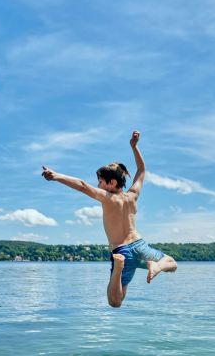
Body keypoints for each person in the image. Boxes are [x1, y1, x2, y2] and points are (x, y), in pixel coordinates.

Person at [41, 130, 177, 308]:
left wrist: (57, 176)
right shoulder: (132, 196)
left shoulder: (107, 197)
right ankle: (156, 266)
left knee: (115, 302)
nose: (98, 185)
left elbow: (82, 186)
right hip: (140, 245)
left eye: (100, 181)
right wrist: (134, 147)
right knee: (172, 263)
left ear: (112, 183)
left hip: (121, 251)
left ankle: (119, 268)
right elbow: (142, 169)